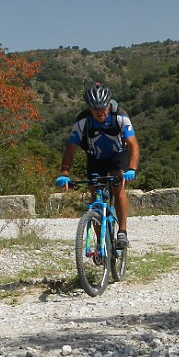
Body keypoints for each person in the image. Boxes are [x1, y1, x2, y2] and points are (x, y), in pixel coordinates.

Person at [55, 83, 140, 248]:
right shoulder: (82, 121)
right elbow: (70, 149)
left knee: (117, 186)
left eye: (104, 108)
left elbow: (133, 145)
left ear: (109, 104)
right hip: (95, 158)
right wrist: (64, 172)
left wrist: (132, 169)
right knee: (95, 193)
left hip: (118, 156)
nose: (101, 113)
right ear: (89, 108)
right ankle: (102, 243)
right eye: (96, 110)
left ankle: (122, 232)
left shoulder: (120, 116)